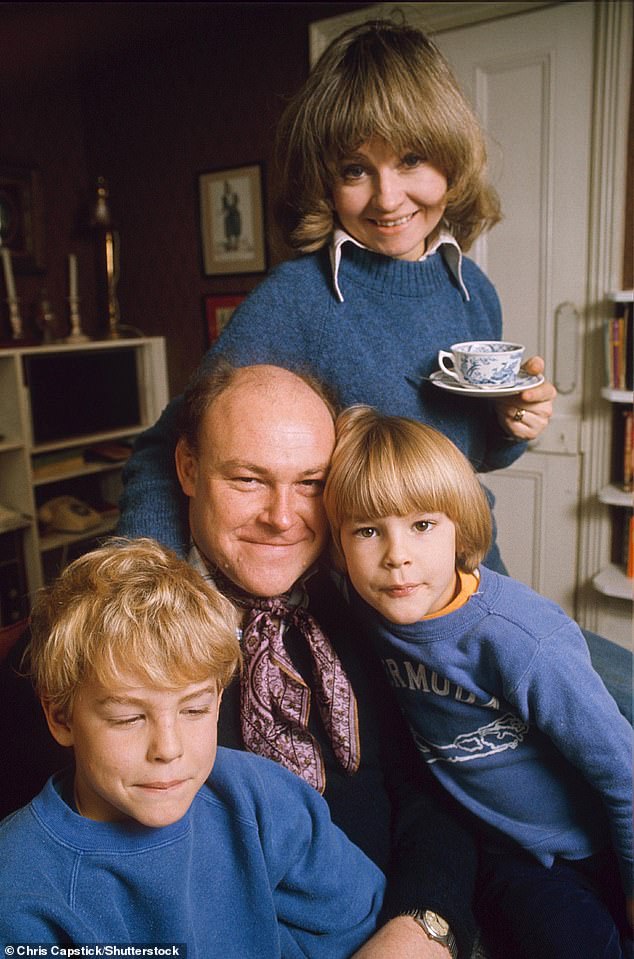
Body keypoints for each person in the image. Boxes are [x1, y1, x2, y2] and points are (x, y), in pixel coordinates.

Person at [116, 15, 631, 724]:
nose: (388, 199)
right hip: (387, 615)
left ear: (452, 159)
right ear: (327, 179)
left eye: (412, 160)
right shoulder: (297, 300)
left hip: (475, 580)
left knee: (609, 700)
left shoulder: (471, 289)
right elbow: (163, 448)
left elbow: (463, 450)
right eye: (356, 169)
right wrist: (139, 590)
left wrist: (514, 426)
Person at [0, 362, 483, 959]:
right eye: (249, 480)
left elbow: (435, 781)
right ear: (187, 470)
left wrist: (426, 924)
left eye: (309, 483)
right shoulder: (93, 653)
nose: (283, 517)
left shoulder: (373, 602)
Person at [323, 404, 633, 959]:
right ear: (339, 546)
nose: (397, 558)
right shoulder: (365, 606)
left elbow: (622, 770)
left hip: (591, 840)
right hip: (505, 848)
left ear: (460, 529)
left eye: (423, 525)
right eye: (368, 531)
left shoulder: (520, 640)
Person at [0, 537, 385, 956]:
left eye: (194, 710)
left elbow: (362, 927)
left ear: (218, 699)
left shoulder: (261, 798)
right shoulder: (19, 883)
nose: (168, 749)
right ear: (61, 717)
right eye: (128, 718)